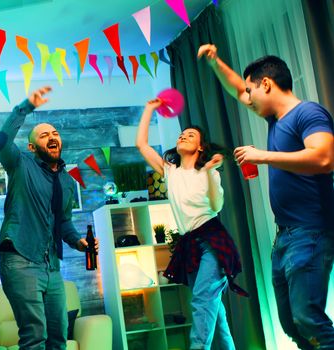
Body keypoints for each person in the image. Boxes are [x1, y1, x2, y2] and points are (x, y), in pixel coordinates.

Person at [198, 44, 334, 349]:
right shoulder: (276, 120)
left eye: (252, 90)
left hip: (310, 232)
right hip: (284, 237)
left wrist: (263, 155)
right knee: (291, 323)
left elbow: (325, 158)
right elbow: (237, 89)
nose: (247, 98)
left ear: (267, 84)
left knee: (308, 318)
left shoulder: (307, 113)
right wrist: (214, 61)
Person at [136, 99, 247, 349]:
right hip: (191, 245)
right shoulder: (170, 171)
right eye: (182, 134)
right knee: (215, 316)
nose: (183, 136)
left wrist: (208, 170)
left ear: (200, 146)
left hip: (213, 243)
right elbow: (141, 144)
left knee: (202, 301)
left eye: (191, 135)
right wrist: (149, 109)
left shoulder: (209, 172)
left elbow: (216, 206)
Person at [0, 86, 98, 349]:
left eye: (55, 134)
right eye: (43, 135)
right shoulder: (20, 164)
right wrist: (26, 106)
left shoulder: (65, 178)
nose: (52, 137)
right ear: (31, 146)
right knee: (34, 336)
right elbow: (1, 143)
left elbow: (63, 222)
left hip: (52, 266)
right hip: (20, 258)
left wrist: (79, 243)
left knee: (58, 336)